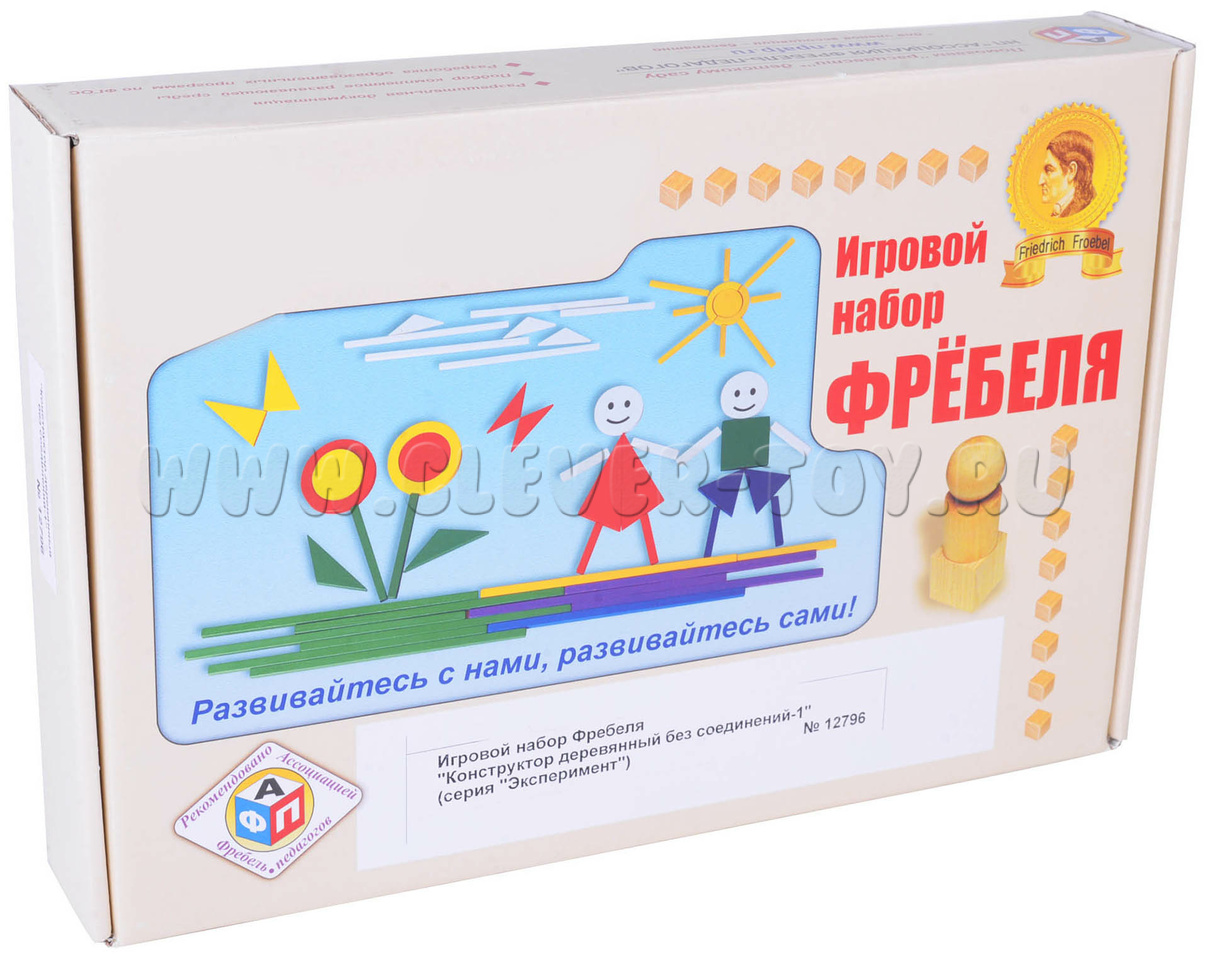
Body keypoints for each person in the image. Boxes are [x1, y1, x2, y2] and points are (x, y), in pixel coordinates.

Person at [678, 371, 809, 557]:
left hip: (757, 473)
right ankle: (708, 552)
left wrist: (802, 448)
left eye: (752, 392)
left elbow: (783, 433)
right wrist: (685, 457)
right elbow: (708, 439)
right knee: (719, 502)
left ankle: (779, 545)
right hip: (735, 474)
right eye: (737, 394)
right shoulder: (728, 428)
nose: (744, 399)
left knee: (770, 495)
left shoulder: (762, 424)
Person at [561, 386, 677, 574]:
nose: (619, 412)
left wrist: (673, 454)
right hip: (613, 481)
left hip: (633, 478)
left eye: (626, 404)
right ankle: (583, 567)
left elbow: (658, 449)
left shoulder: (631, 444)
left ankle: (653, 561)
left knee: (639, 512)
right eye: (611, 407)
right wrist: (570, 473)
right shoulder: (616, 450)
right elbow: (594, 459)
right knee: (602, 515)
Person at [1038, 130, 1096, 218]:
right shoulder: (1063, 210)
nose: (1040, 181)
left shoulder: (1081, 213)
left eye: (1049, 170)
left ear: (1071, 171)